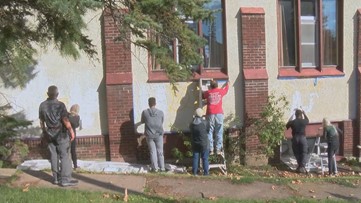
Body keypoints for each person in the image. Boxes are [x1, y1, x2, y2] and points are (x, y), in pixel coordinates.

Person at [39, 85, 78, 187]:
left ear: (47, 94)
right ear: (57, 94)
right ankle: (65, 179)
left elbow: (41, 121)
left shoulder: (42, 105)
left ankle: (56, 179)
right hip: (61, 134)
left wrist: (44, 132)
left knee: (53, 156)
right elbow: (65, 120)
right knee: (65, 156)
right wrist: (71, 130)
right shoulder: (60, 105)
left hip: (49, 134)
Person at [202, 80, 229, 155]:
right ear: (217, 85)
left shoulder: (208, 92)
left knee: (209, 130)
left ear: (210, 86)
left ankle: (210, 149)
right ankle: (218, 149)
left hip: (210, 113)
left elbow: (203, 95)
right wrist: (227, 84)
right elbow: (226, 90)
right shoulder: (220, 91)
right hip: (219, 113)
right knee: (219, 130)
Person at [140, 97, 165, 172]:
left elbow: (142, 121)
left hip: (149, 135)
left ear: (148, 103)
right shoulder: (161, 112)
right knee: (160, 151)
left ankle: (155, 168)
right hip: (159, 135)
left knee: (152, 151)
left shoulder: (144, 112)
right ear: (155, 103)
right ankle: (162, 168)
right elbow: (161, 121)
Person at [286, 109, 309, 173]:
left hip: (295, 138)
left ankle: (299, 166)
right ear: (301, 115)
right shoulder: (303, 121)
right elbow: (307, 120)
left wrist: (291, 115)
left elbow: (287, 125)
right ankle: (302, 166)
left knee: (297, 152)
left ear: (295, 115)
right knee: (304, 152)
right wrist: (304, 113)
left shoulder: (293, 122)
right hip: (302, 138)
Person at [190, 108, 209, 176]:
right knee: (205, 158)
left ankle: (195, 172)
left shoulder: (192, 124)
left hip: (195, 143)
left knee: (195, 158)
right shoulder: (205, 122)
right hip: (204, 143)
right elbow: (208, 130)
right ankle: (206, 173)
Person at [68, 104, 81, 169]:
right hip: (73, 134)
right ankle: (75, 165)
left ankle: (66, 165)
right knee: (73, 150)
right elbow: (77, 125)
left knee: (65, 151)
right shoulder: (77, 117)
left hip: (65, 134)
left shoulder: (67, 116)